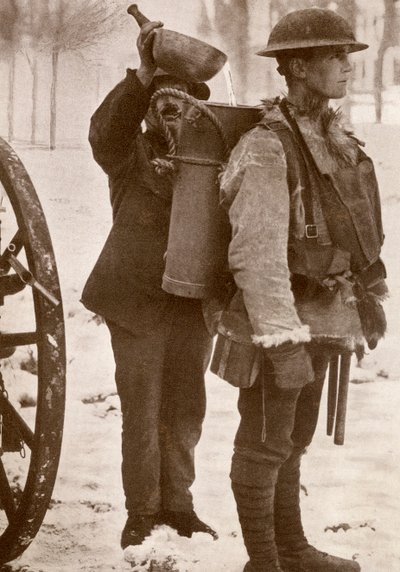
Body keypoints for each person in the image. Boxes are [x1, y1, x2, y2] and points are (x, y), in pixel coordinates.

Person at [211, 8, 387, 572]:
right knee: (264, 442)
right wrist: (281, 341)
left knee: (296, 438)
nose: (346, 68)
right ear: (300, 67)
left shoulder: (332, 138)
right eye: (335, 57)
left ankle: (293, 549)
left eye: (345, 57)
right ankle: (263, 561)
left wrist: (366, 293)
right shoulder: (268, 146)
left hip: (324, 313)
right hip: (275, 320)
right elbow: (256, 256)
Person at [81, 19, 217, 549]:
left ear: (197, 106)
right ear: (148, 107)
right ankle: (141, 511)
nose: (173, 105)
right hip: (135, 299)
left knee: (186, 407)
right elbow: (104, 131)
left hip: (190, 301)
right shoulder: (126, 152)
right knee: (141, 408)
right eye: (162, 96)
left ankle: (179, 506)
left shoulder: (212, 158)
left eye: (182, 96)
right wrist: (141, 77)